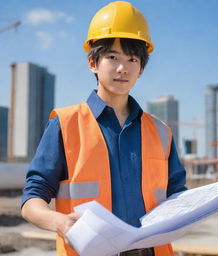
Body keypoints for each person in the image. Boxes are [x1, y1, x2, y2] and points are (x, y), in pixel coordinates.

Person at [21, 1, 187, 256]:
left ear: (141, 68)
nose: (123, 68)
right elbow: (32, 198)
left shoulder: (161, 131)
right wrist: (60, 223)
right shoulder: (65, 124)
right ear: (92, 63)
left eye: (132, 59)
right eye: (112, 57)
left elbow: (178, 196)